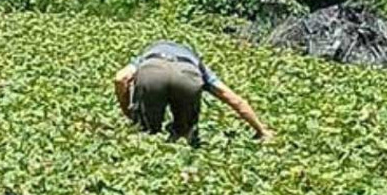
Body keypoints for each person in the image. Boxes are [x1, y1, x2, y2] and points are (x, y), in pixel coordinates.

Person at [114, 41, 273, 145]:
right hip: (188, 75)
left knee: (146, 133)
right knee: (185, 135)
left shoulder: (147, 55)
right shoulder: (196, 63)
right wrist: (261, 130)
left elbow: (120, 78)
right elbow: (233, 99)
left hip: (152, 72)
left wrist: (128, 112)